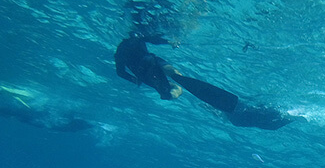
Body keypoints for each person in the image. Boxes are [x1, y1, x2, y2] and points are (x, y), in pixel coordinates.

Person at [114, 33, 300, 130]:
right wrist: (170, 41)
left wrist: (135, 80)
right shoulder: (135, 39)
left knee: (169, 92)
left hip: (144, 72)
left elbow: (120, 72)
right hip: (153, 61)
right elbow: (151, 39)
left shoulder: (120, 52)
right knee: (173, 73)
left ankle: (177, 89)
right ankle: (178, 83)